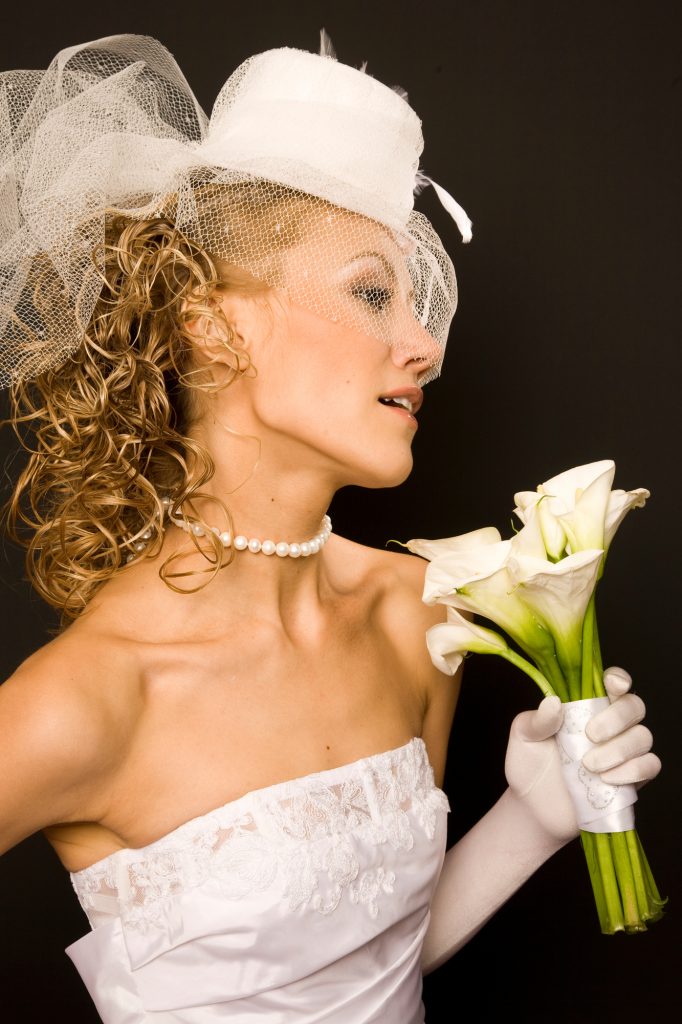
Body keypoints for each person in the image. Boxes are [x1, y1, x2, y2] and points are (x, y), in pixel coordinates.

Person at [0, 31, 660, 1023]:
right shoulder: (90, 697)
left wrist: (534, 815)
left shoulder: (418, 615)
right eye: (369, 293)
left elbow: (376, 965)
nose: (423, 347)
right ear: (212, 322)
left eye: (414, 301)